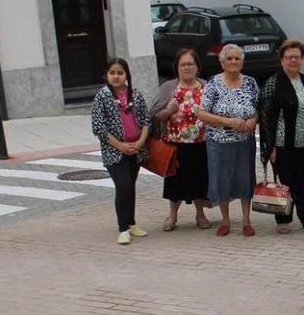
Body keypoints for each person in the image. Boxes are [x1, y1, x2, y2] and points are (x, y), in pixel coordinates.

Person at [259, 39, 304, 234]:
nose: (293, 61)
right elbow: (266, 118)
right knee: (285, 183)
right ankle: (283, 220)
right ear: (282, 60)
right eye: (289, 57)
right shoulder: (273, 83)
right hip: (283, 145)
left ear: (302, 59)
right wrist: (269, 146)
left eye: (297, 57)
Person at [196, 44, 259, 237]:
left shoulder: (250, 83)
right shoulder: (213, 84)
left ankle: (246, 220)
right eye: (229, 59)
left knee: (245, 178)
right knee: (222, 180)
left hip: (244, 141)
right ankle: (225, 220)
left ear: (242, 61)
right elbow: (202, 113)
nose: (233, 62)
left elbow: (257, 109)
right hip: (219, 141)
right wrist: (229, 122)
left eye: (237, 59)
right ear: (222, 62)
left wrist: (251, 121)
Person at [91, 57, 151, 245]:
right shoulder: (102, 96)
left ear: (126, 75)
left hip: (135, 150)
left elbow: (146, 120)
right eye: (112, 73)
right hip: (115, 152)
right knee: (123, 185)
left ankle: (132, 223)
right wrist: (120, 146)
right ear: (106, 75)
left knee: (130, 186)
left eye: (120, 73)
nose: (116, 76)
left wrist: (140, 142)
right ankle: (122, 228)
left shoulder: (135, 95)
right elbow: (98, 127)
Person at [150, 48, 210, 232]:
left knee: (201, 179)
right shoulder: (169, 88)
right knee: (174, 181)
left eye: (190, 64)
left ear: (197, 67)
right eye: (182, 64)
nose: (186, 67)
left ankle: (201, 214)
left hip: (201, 142)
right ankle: (172, 216)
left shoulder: (206, 86)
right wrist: (167, 112)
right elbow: (153, 115)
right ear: (176, 68)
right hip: (174, 143)